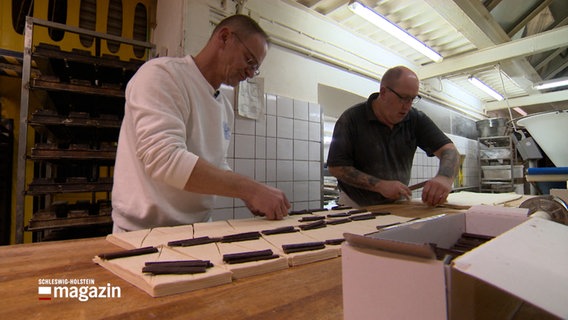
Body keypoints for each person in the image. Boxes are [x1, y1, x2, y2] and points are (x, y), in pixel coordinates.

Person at [111, 14, 291, 232]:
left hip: (198, 230)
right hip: (143, 232)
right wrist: (249, 189)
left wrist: (251, 195)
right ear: (225, 38)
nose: (250, 73)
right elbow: (164, 159)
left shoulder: (224, 106)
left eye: (256, 68)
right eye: (249, 61)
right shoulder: (163, 75)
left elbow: (216, 164)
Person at [327, 66, 459, 208]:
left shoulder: (415, 118)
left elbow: (449, 150)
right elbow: (337, 167)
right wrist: (379, 185)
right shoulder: (352, 119)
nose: (407, 106)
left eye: (412, 99)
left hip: (396, 203)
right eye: (403, 98)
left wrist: (444, 177)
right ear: (383, 92)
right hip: (355, 204)